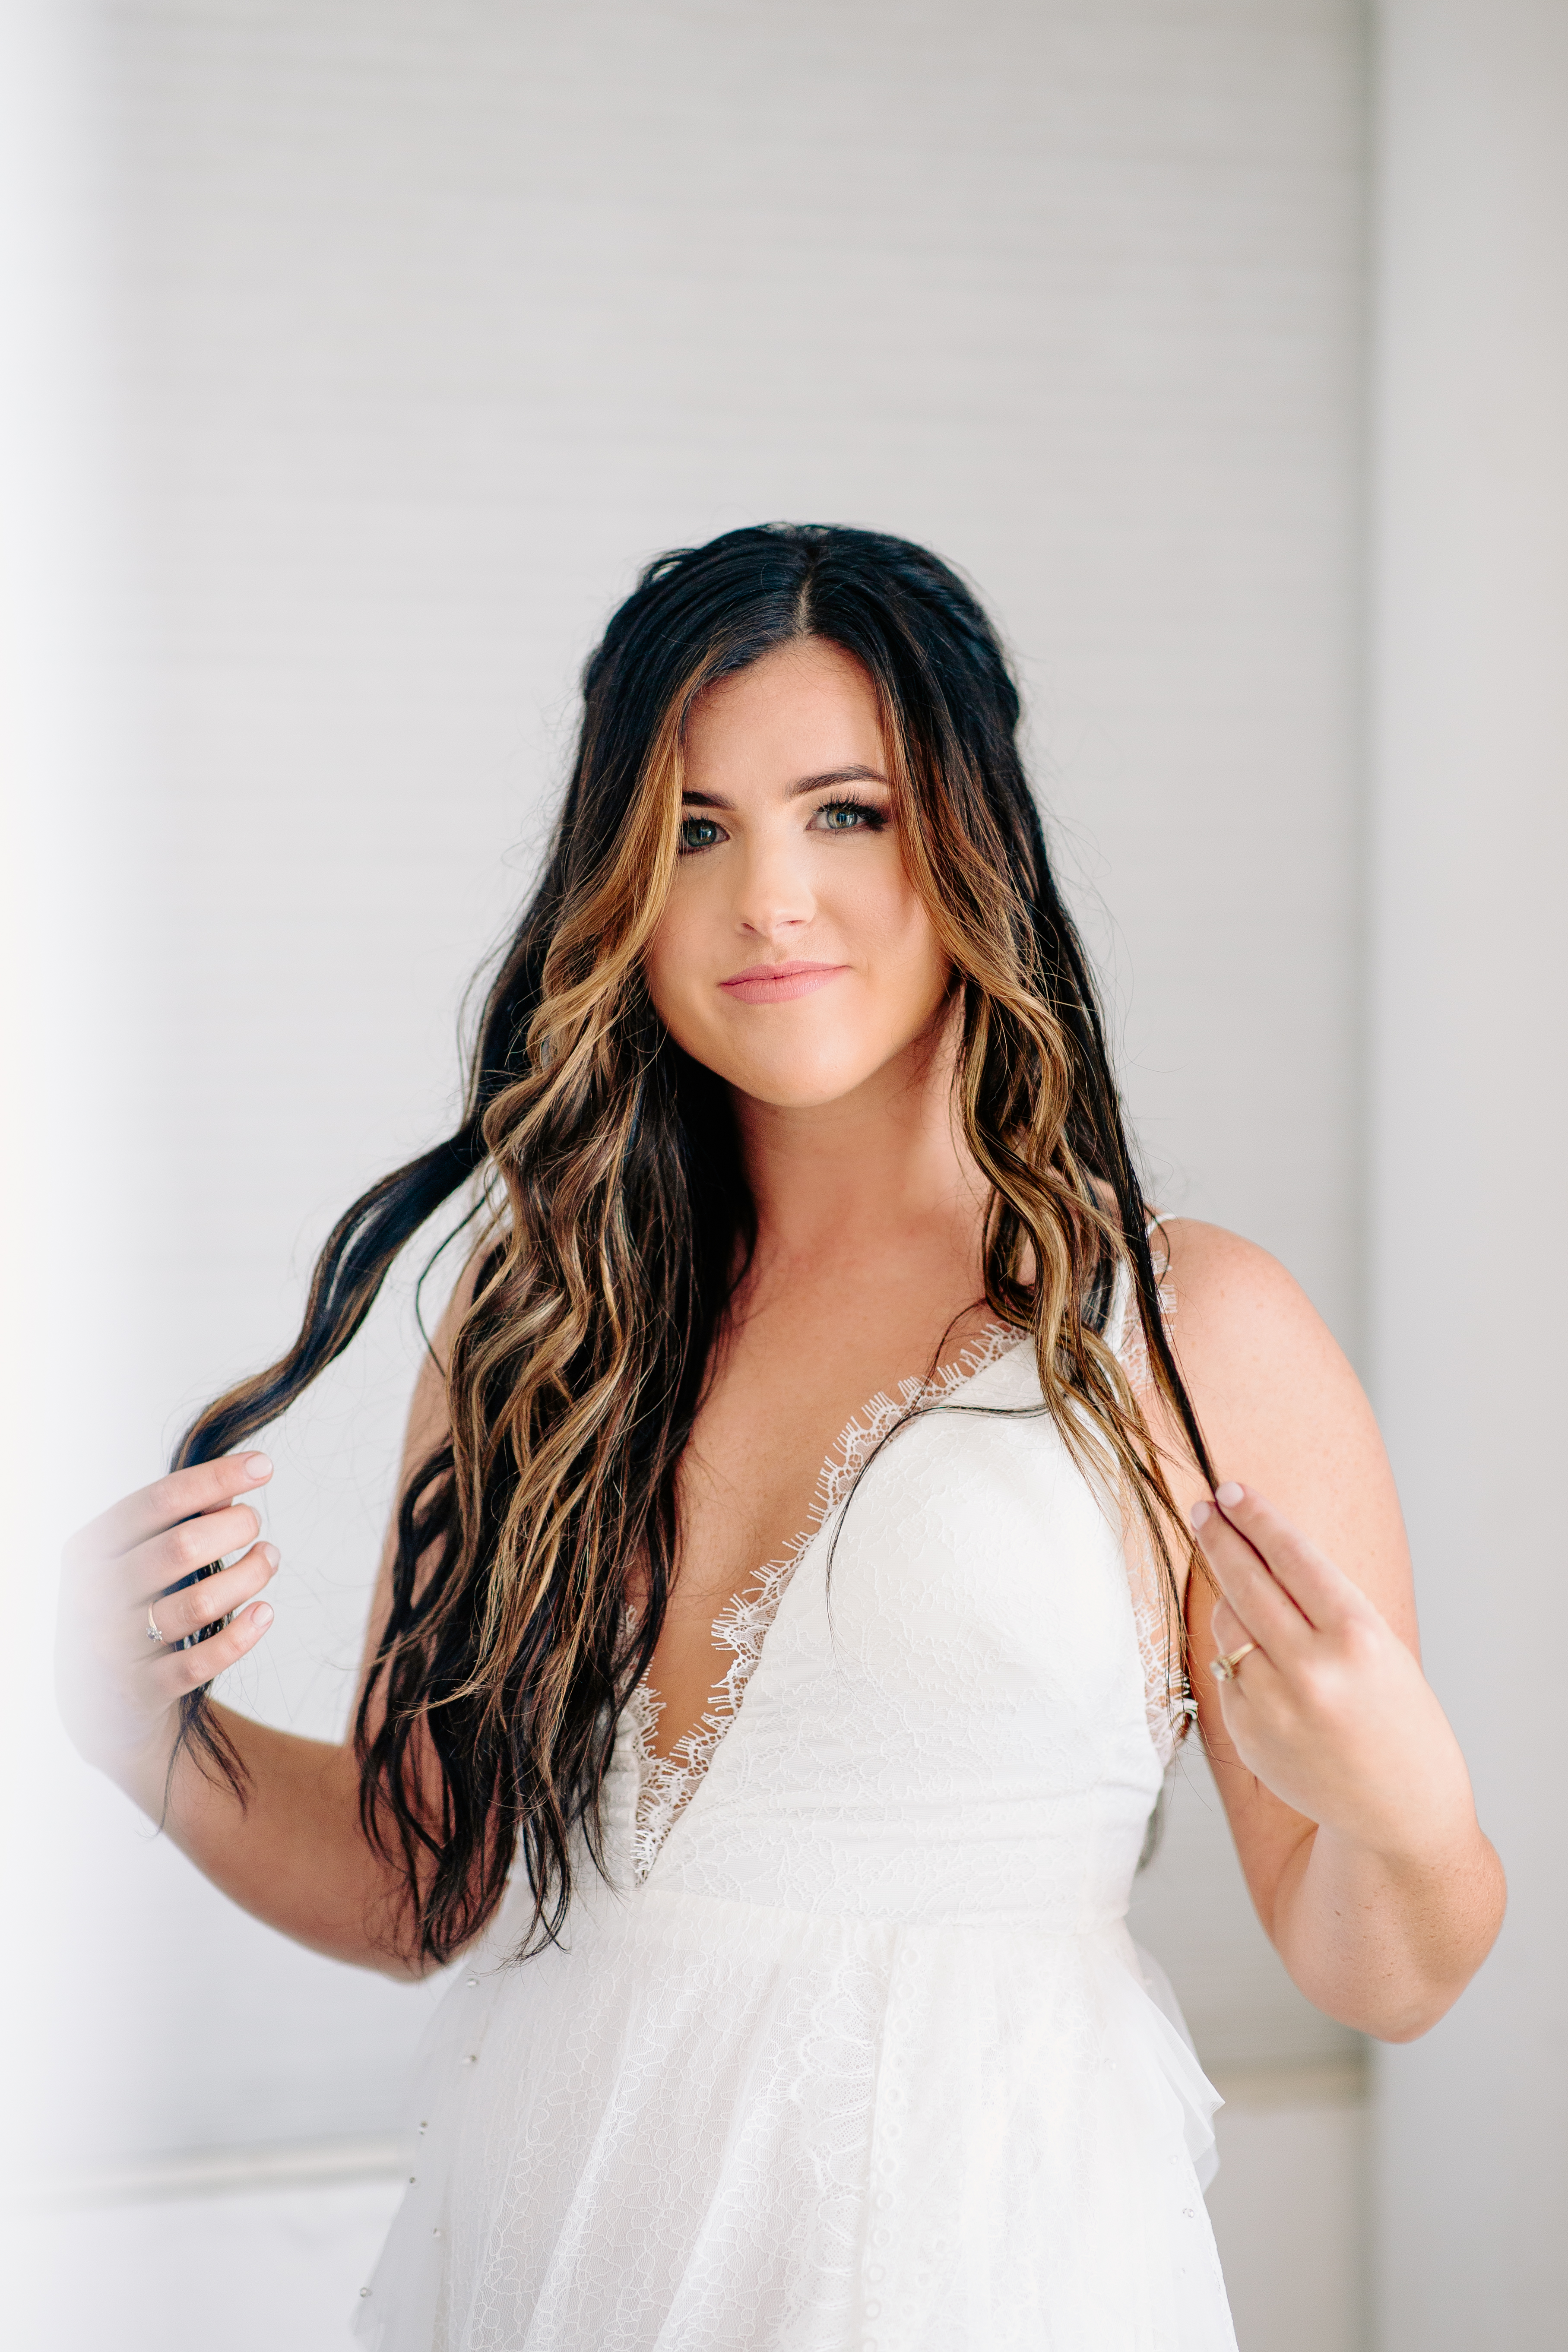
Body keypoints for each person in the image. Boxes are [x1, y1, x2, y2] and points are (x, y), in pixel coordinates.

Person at [58, 524, 1503, 2350]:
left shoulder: (1179, 1330)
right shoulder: (543, 1326)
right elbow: (416, 1879)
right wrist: (138, 1730)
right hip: (545, 2251)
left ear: (969, 837)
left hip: (969, 2263)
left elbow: (1382, 1969)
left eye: (845, 812)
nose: (766, 900)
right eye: (690, 830)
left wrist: (1407, 1805)